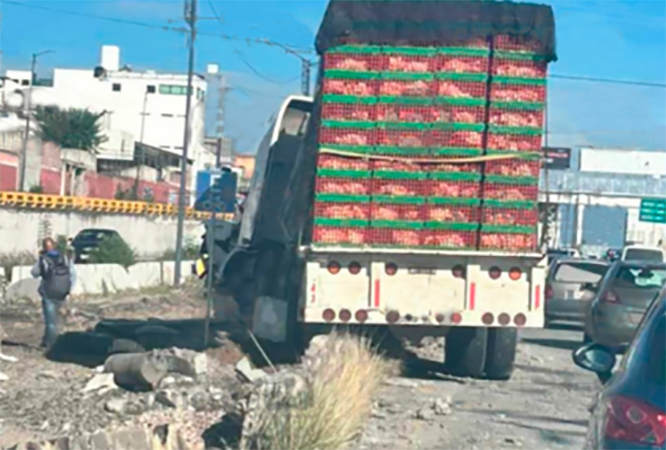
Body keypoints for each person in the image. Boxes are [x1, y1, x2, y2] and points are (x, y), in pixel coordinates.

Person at [30, 237, 77, 348]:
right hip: (62, 292)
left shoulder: (44, 259)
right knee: (56, 319)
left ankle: (51, 345)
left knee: (51, 322)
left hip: (49, 293)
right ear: (55, 245)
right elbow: (73, 274)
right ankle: (46, 340)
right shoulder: (64, 257)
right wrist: (69, 289)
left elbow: (34, 273)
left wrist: (40, 260)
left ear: (44, 247)